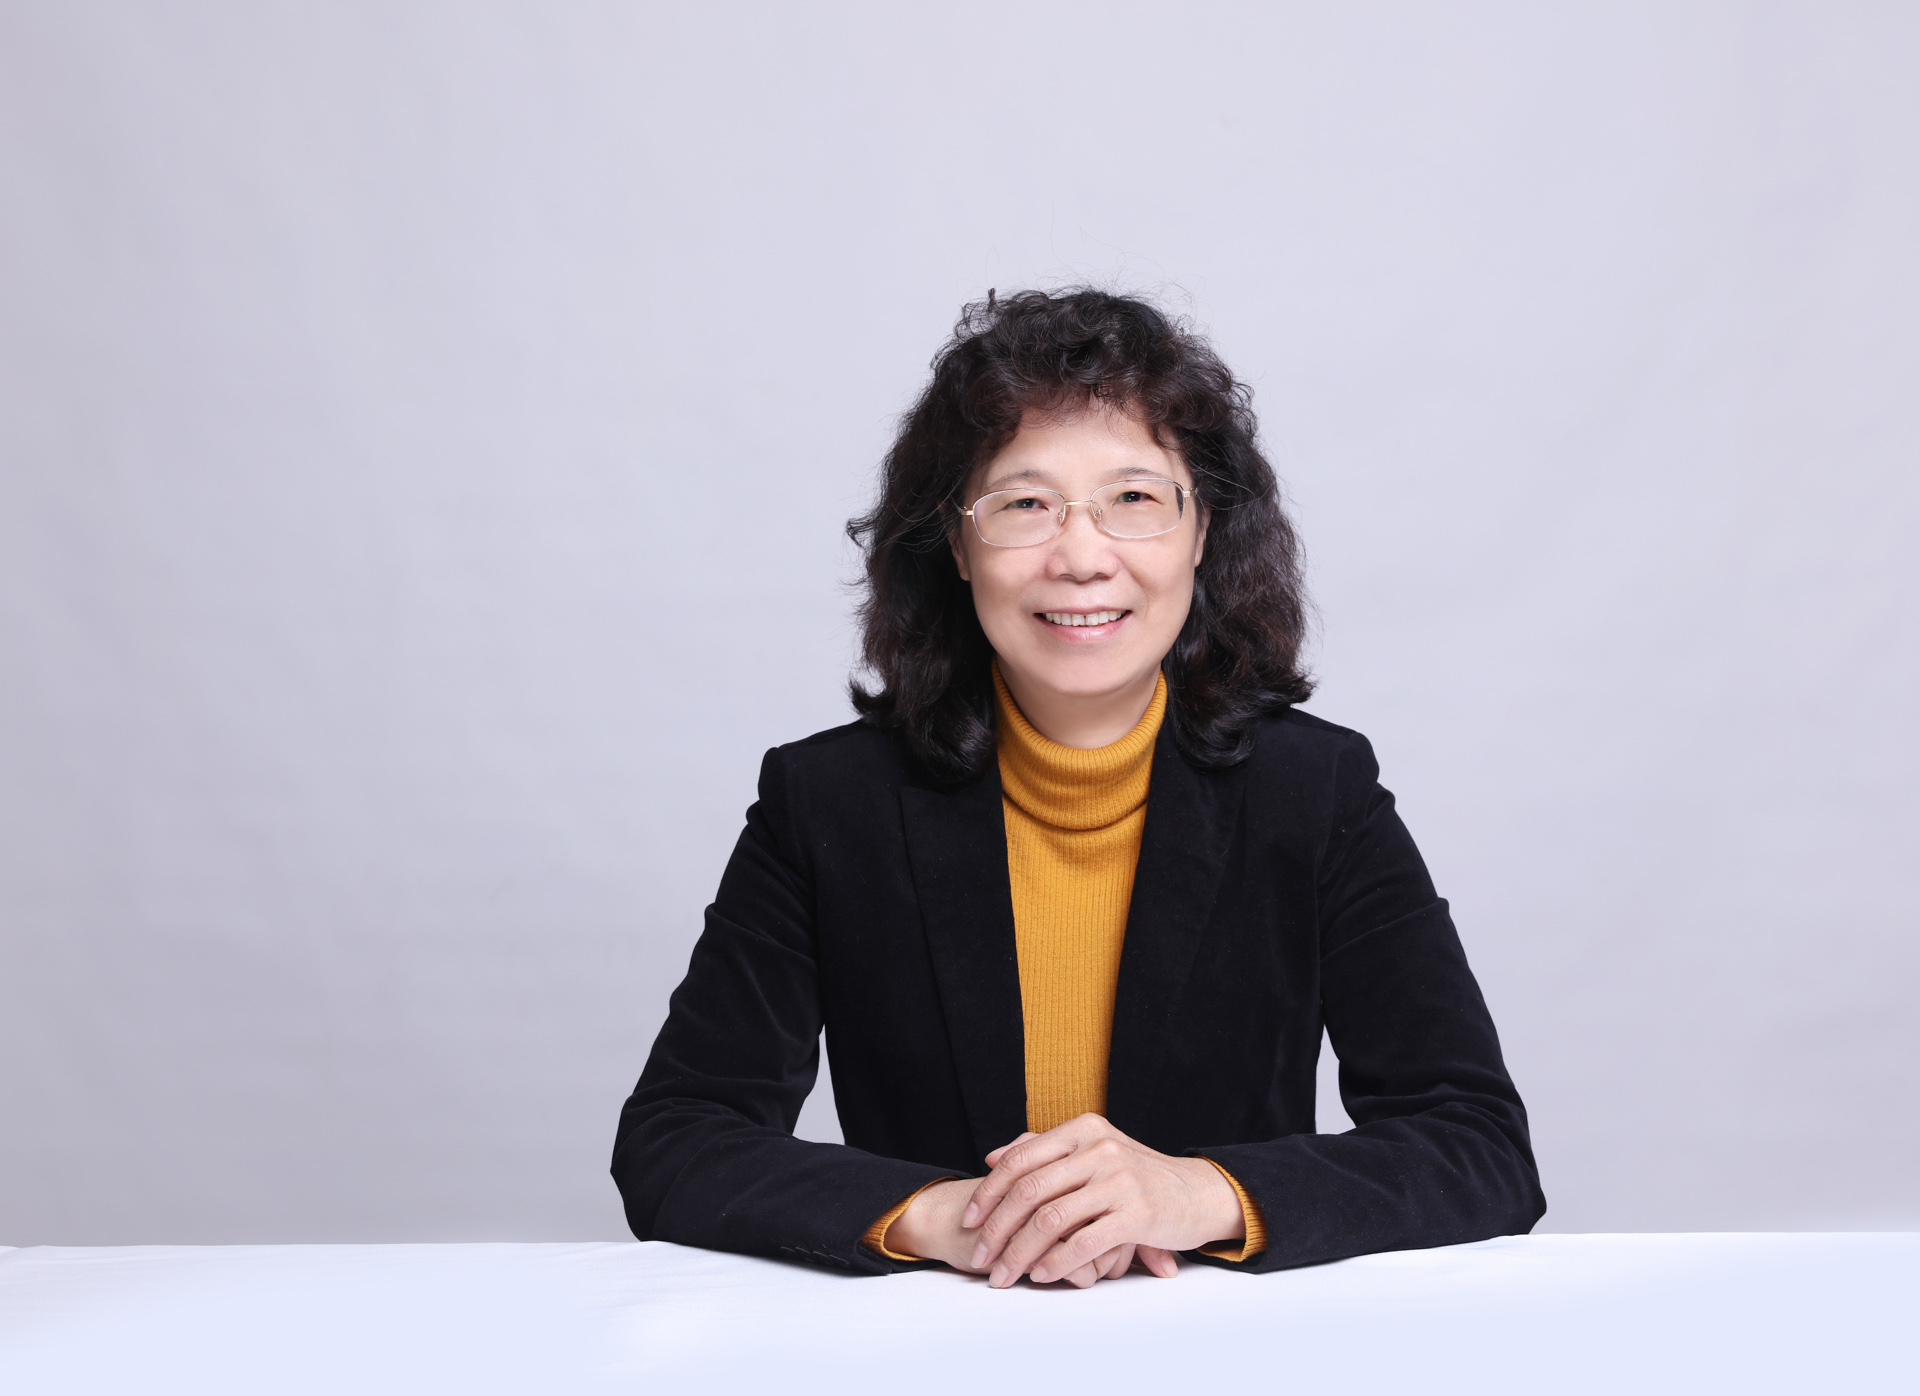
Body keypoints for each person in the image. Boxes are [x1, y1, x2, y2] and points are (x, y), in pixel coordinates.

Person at [612, 289, 1545, 1286]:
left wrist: (1194, 1194)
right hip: (937, 1339)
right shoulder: (827, 802)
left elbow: (1477, 1145)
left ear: (1202, 530)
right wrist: (945, 1215)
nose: (1083, 557)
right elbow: (676, 1140)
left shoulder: (1315, 792)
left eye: (1134, 499)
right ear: (957, 544)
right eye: (1025, 504)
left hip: (1219, 1340)